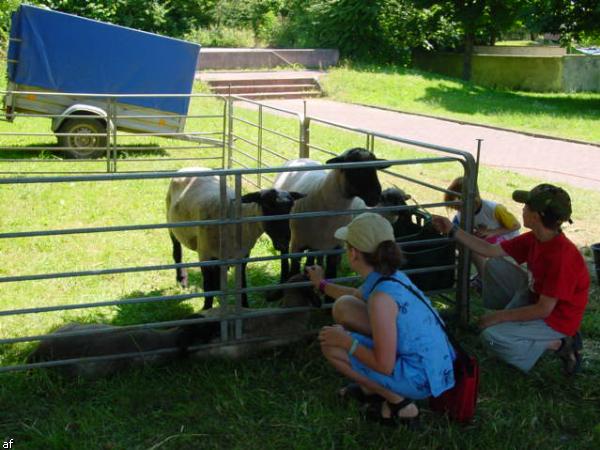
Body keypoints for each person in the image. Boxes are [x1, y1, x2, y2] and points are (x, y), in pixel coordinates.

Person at [306, 212, 455, 426]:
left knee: (332, 345)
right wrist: (321, 284)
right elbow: (354, 296)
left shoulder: (381, 299)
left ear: (353, 253)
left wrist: (346, 341)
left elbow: (384, 365)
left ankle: (401, 405)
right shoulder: (390, 276)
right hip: (436, 364)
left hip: (422, 378)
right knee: (345, 306)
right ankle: (371, 389)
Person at [433, 183, 589, 375]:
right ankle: (514, 328)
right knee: (495, 265)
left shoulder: (562, 258)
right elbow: (490, 250)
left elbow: (544, 309)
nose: (523, 209)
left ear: (537, 215)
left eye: (527, 207)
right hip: (536, 298)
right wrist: (453, 230)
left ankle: (561, 344)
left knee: (490, 338)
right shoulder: (536, 238)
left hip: (556, 319)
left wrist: (498, 317)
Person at [445, 176, 521, 288]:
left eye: (458, 206)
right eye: (456, 208)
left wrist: (492, 232)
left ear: (472, 198)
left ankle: (484, 280)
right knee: (460, 242)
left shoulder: (494, 209)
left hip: (507, 242)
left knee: (473, 248)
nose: (458, 210)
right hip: (488, 240)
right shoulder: (462, 211)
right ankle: (479, 275)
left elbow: (516, 226)